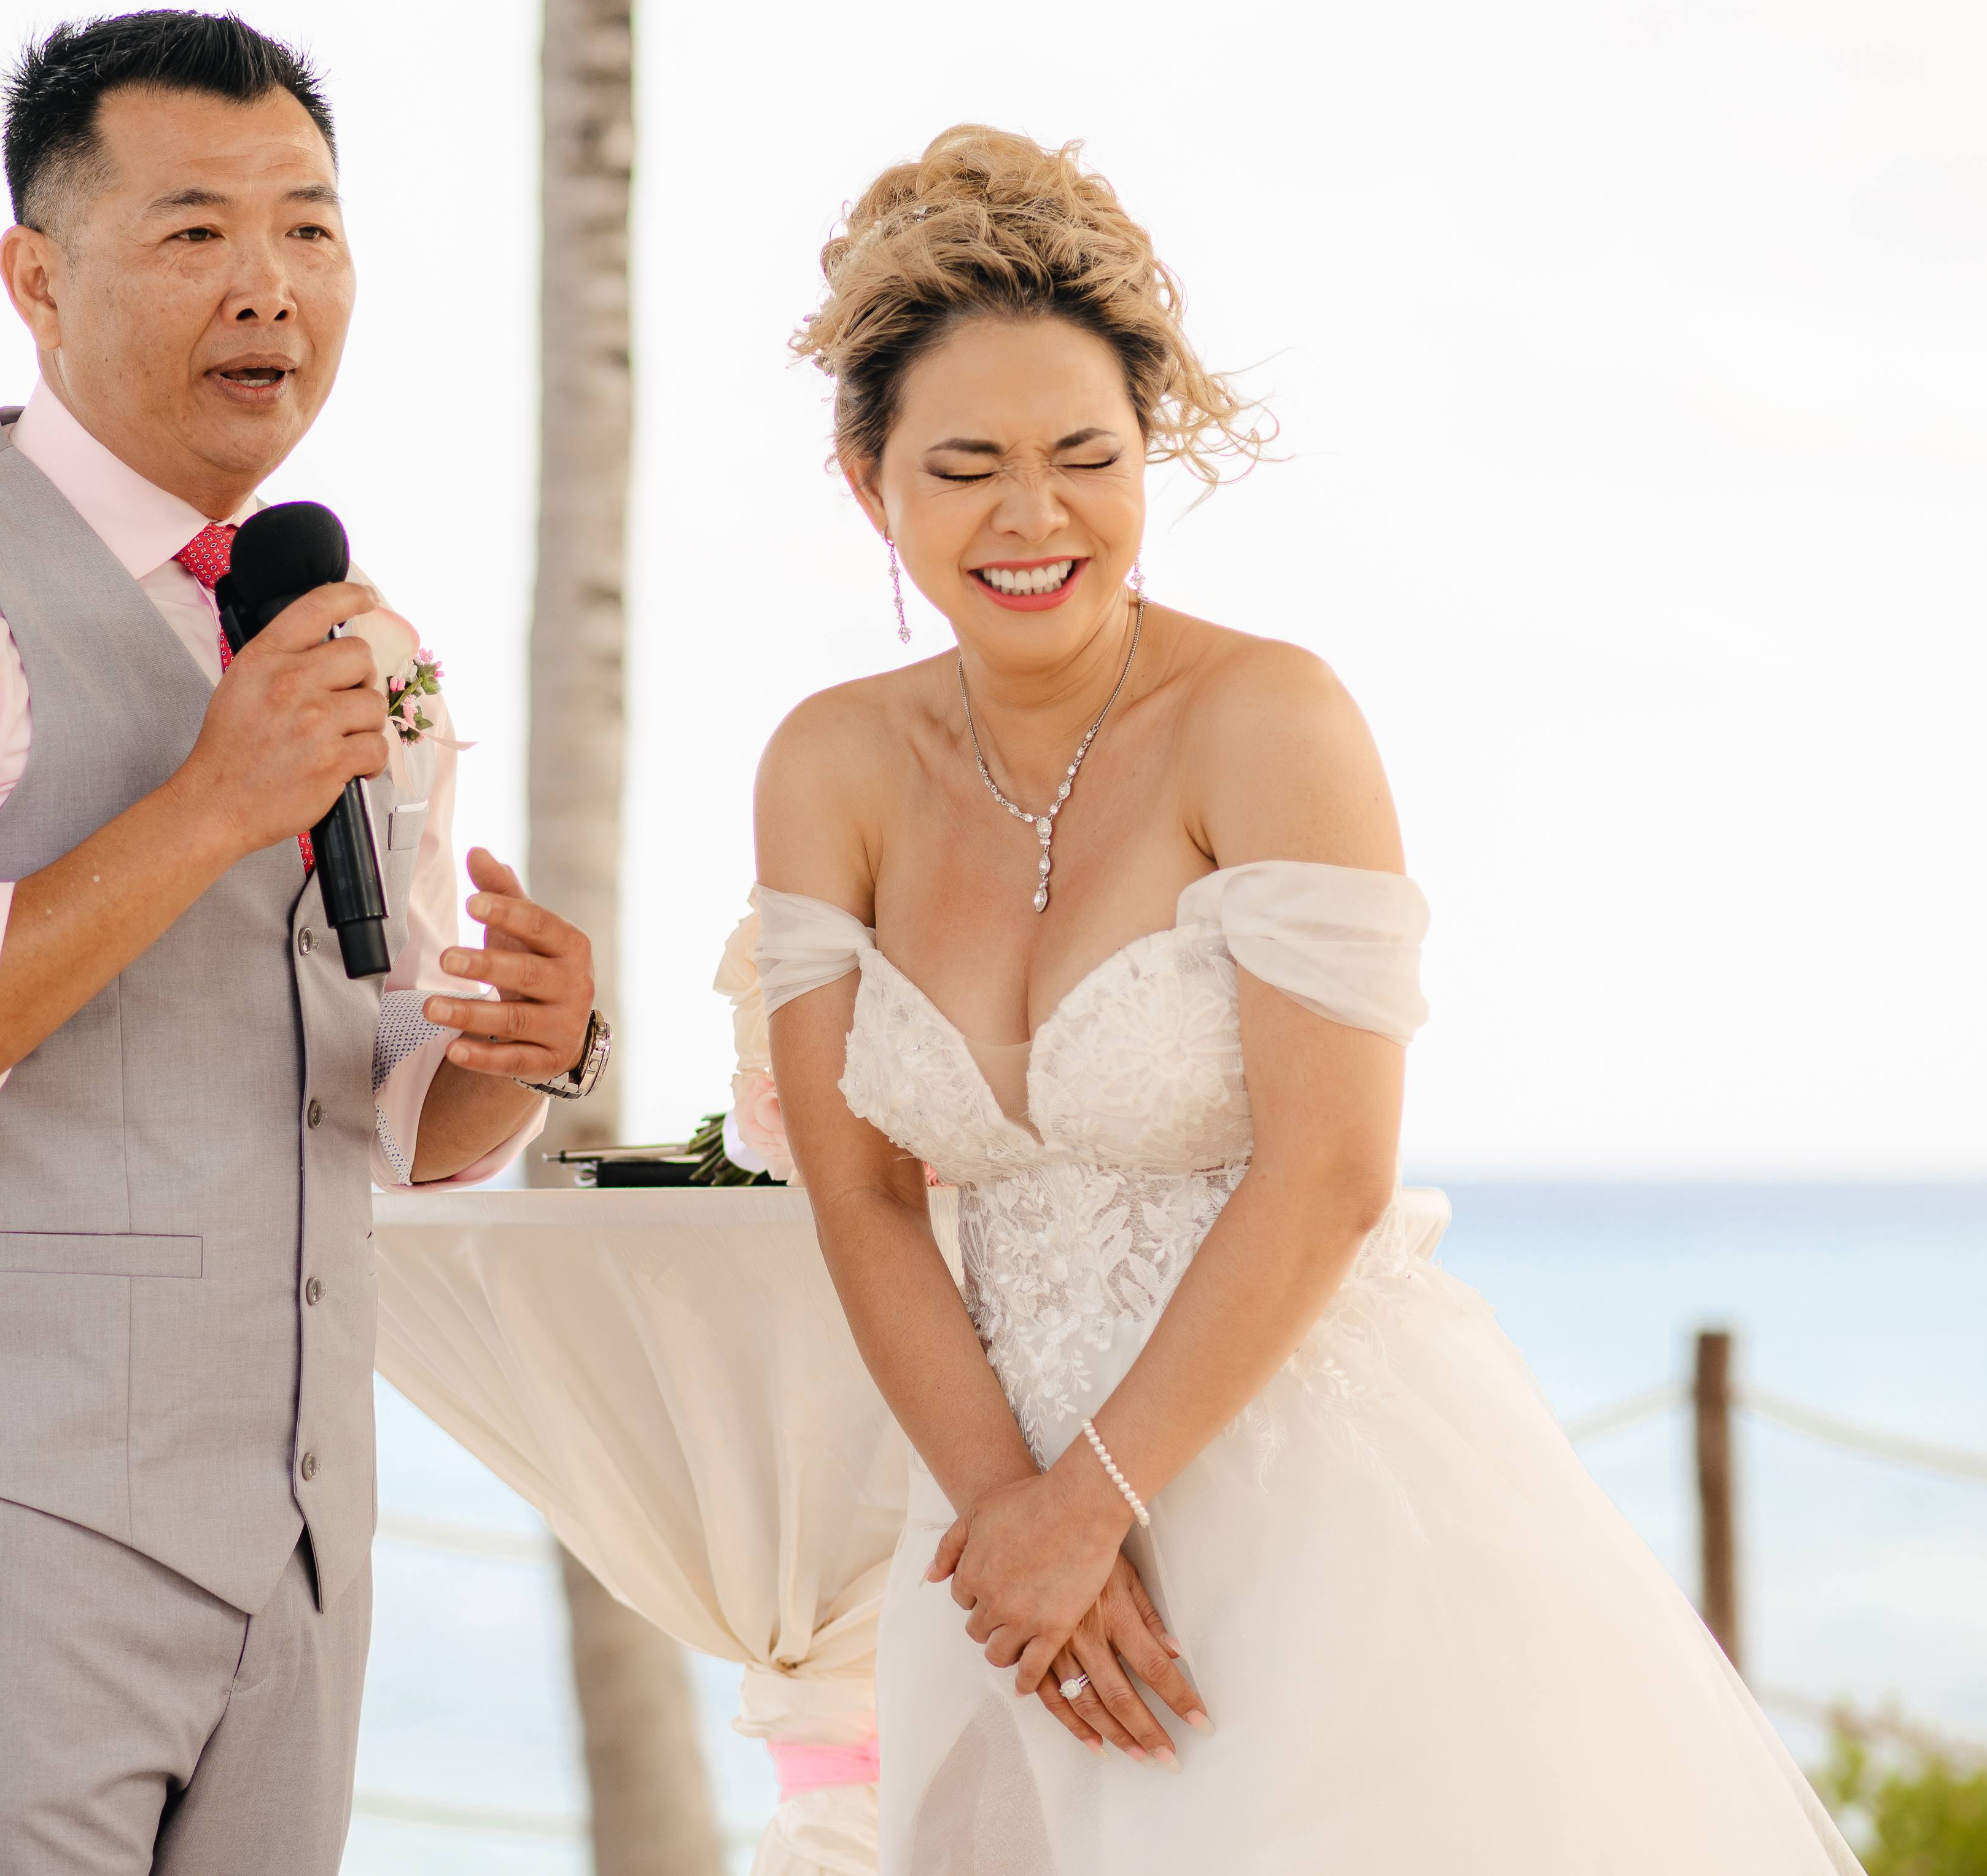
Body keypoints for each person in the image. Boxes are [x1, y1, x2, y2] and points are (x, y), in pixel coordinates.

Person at [747, 128, 1861, 1871]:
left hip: (1304, 1500)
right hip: (999, 1528)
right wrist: (1014, 1526)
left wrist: (1094, 1503)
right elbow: (864, 1192)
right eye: (963, 466)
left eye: (1085, 458)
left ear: (1149, 453)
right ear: (864, 472)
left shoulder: (1270, 723)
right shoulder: (831, 765)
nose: (1031, 519)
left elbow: (1329, 1172)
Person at [0, 10, 616, 1876]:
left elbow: (373, 1111)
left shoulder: (347, 634)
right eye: (197, 231)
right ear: (36, 279)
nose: (268, 287)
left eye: (310, 228)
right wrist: (207, 805)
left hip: (291, 1537)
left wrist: (504, 1059)